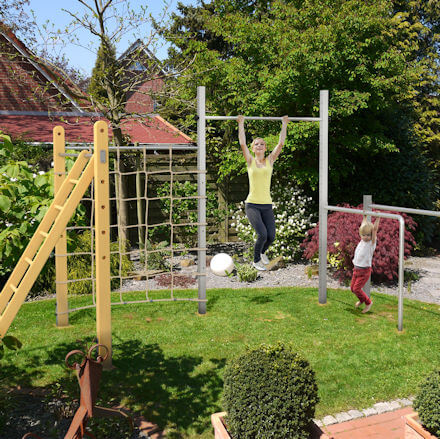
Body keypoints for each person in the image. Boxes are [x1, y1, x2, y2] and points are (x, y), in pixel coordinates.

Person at [237, 114, 289, 271]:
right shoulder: (250, 161)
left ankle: (262, 252)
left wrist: (284, 124)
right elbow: (242, 143)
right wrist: (241, 123)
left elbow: (280, 143)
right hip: (252, 204)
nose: (259, 146)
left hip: (266, 205)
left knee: (271, 236)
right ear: (253, 148)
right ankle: (256, 260)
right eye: (256, 144)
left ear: (265, 148)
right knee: (262, 234)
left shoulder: (270, 161)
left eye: (262, 144)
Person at [351, 215, 380, 313]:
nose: (366, 237)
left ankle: (368, 303)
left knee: (357, 288)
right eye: (364, 235)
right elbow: (363, 226)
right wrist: (364, 217)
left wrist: (378, 218)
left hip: (364, 271)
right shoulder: (362, 241)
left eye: (368, 235)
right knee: (352, 289)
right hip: (356, 269)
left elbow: (374, 229)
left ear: (372, 236)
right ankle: (362, 299)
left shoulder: (371, 243)